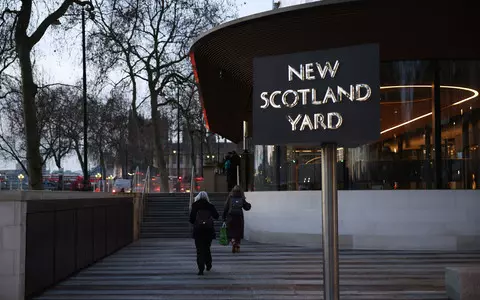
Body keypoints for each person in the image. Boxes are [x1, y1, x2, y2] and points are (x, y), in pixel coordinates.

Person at [189, 191, 219, 275]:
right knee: (207, 248)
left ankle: (200, 269)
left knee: (199, 250)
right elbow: (216, 216)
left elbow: (191, 219)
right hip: (208, 231)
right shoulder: (210, 206)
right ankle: (208, 264)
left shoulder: (195, 205)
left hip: (198, 231)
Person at [223, 185, 251, 253]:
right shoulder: (241, 198)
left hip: (230, 217)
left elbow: (226, 207)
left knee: (231, 231)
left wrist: (224, 216)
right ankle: (237, 246)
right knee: (238, 232)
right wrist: (249, 205)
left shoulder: (230, 197)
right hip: (239, 217)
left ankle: (233, 241)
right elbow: (246, 207)